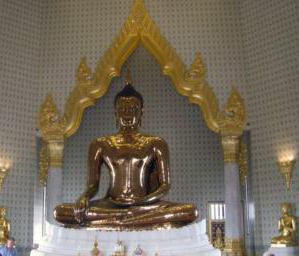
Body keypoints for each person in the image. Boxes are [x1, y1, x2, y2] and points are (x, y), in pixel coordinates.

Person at [54, 82, 198, 229]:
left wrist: (142, 202)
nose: (127, 114)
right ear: (115, 112)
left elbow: (165, 186)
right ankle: (130, 220)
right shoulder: (100, 144)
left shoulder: (156, 143)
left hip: (144, 205)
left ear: (141, 111)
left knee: (190, 211)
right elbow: (93, 185)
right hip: (112, 204)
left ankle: (117, 221)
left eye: (132, 109)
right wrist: (84, 198)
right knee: (60, 212)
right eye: (122, 109)